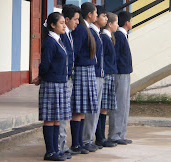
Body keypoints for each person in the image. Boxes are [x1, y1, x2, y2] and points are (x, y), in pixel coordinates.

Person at [38, 12, 70, 161]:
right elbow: (45, 65)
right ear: (53, 25)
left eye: (64, 22)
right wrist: (42, 76)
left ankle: (56, 149)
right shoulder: (50, 42)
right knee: (50, 118)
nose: (64, 25)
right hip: (51, 83)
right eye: (61, 23)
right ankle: (50, 151)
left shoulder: (59, 40)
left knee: (57, 118)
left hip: (60, 83)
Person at [83, 5, 114, 149]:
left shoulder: (97, 34)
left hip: (100, 74)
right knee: (91, 110)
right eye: (102, 16)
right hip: (94, 74)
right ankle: (86, 140)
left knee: (97, 109)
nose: (105, 19)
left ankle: (93, 138)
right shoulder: (91, 33)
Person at [70, 2, 98, 153]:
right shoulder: (81, 29)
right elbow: (75, 51)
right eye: (95, 13)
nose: (97, 16)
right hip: (81, 70)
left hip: (87, 70)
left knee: (83, 109)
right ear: (89, 14)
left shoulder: (85, 28)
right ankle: (76, 144)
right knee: (78, 108)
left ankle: (80, 143)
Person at [59, 4, 81, 158]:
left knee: (66, 113)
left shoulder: (69, 34)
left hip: (69, 78)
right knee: (61, 115)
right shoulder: (60, 36)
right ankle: (59, 146)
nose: (77, 23)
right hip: (62, 79)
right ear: (66, 19)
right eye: (75, 19)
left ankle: (63, 144)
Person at [108, 11, 133, 145]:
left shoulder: (123, 35)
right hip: (120, 74)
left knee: (124, 105)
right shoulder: (119, 36)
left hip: (124, 73)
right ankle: (115, 134)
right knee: (119, 104)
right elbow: (115, 56)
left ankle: (121, 134)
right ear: (127, 22)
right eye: (131, 20)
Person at [95, 12, 119, 146]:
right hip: (106, 74)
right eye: (116, 23)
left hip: (110, 73)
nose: (117, 25)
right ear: (109, 24)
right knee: (103, 106)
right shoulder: (104, 37)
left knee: (105, 107)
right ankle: (99, 137)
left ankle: (101, 137)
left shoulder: (109, 37)